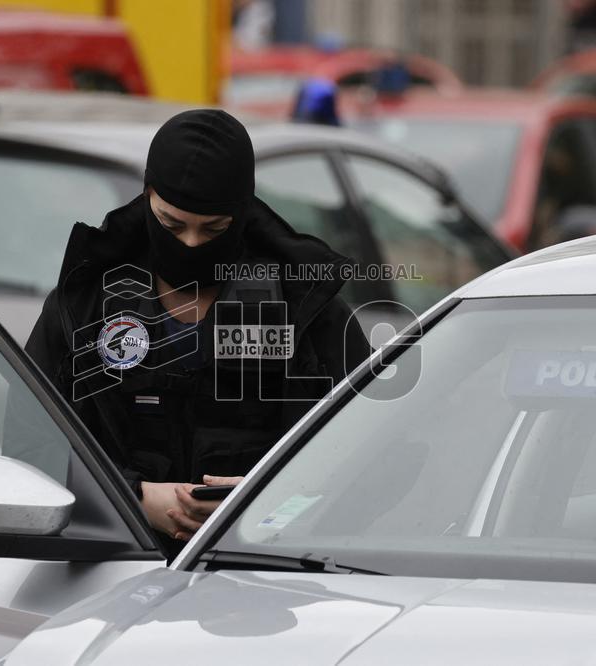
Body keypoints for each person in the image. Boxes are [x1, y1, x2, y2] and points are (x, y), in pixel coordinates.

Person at [24, 109, 370, 557]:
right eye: (171, 224)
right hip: (111, 576)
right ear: (147, 195)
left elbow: (370, 457)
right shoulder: (84, 305)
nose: (189, 243)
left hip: (265, 586)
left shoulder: (305, 308)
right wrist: (134, 499)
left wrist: (271, 500)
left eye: (214, 229)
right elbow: (31, 452)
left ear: (242, 214)